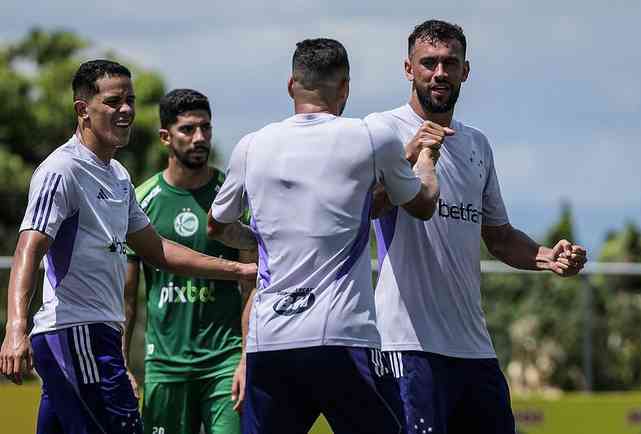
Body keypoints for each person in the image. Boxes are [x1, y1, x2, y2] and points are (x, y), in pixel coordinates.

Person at [0, 60, 256, 434]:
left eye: (131, 101)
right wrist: (15, 328)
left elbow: (156, 249)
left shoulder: (118, 176)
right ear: (82, 110)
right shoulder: (63, 170)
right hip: (77, 334)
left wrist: (238, 268)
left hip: (93, 335)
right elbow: (28, 247)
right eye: (114, 101)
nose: (126, 111)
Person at [207, 38, 439, 434]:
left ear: (290, 85)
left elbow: (218, 226)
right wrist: (427, 159)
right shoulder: (371, 136)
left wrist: (262, 240)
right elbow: (421, 204)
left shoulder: (251, 146)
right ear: (345, 87)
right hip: (344, 338)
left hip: (271, 341)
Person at [370, 20, 588, 434]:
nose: (439, 73)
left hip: (473, 349)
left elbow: (500, 237)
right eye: (428, 62)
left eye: (450, 63)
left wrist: (547, 256)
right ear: (408, 68)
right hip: (407, 345)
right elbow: (360, 210)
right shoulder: (383, 131)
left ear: (465, 71)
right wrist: (409, 156)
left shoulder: (477, 145)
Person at [123, 88, 255, 434]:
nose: (200, 138)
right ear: (166, 136)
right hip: (165, 364)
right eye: (188, 129)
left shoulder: (231, 197)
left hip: (224, 363)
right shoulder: (141, 201)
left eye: (206, 128)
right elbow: (125, 297)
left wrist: (245, 357)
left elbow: (252, 283)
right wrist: (122, 362)